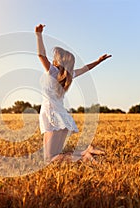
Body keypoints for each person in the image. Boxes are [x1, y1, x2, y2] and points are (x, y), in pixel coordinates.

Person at [35, 24, 111, 163]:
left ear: (58, 61)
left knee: (49, 159)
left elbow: (41, 55)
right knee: (56, 154)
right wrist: (99, 61)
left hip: (51, 115)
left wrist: (38, 35)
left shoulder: (53, 71)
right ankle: (86, 151)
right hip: (62, 116)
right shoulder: (70, 75)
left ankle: (84, 157)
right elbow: (85, 68)